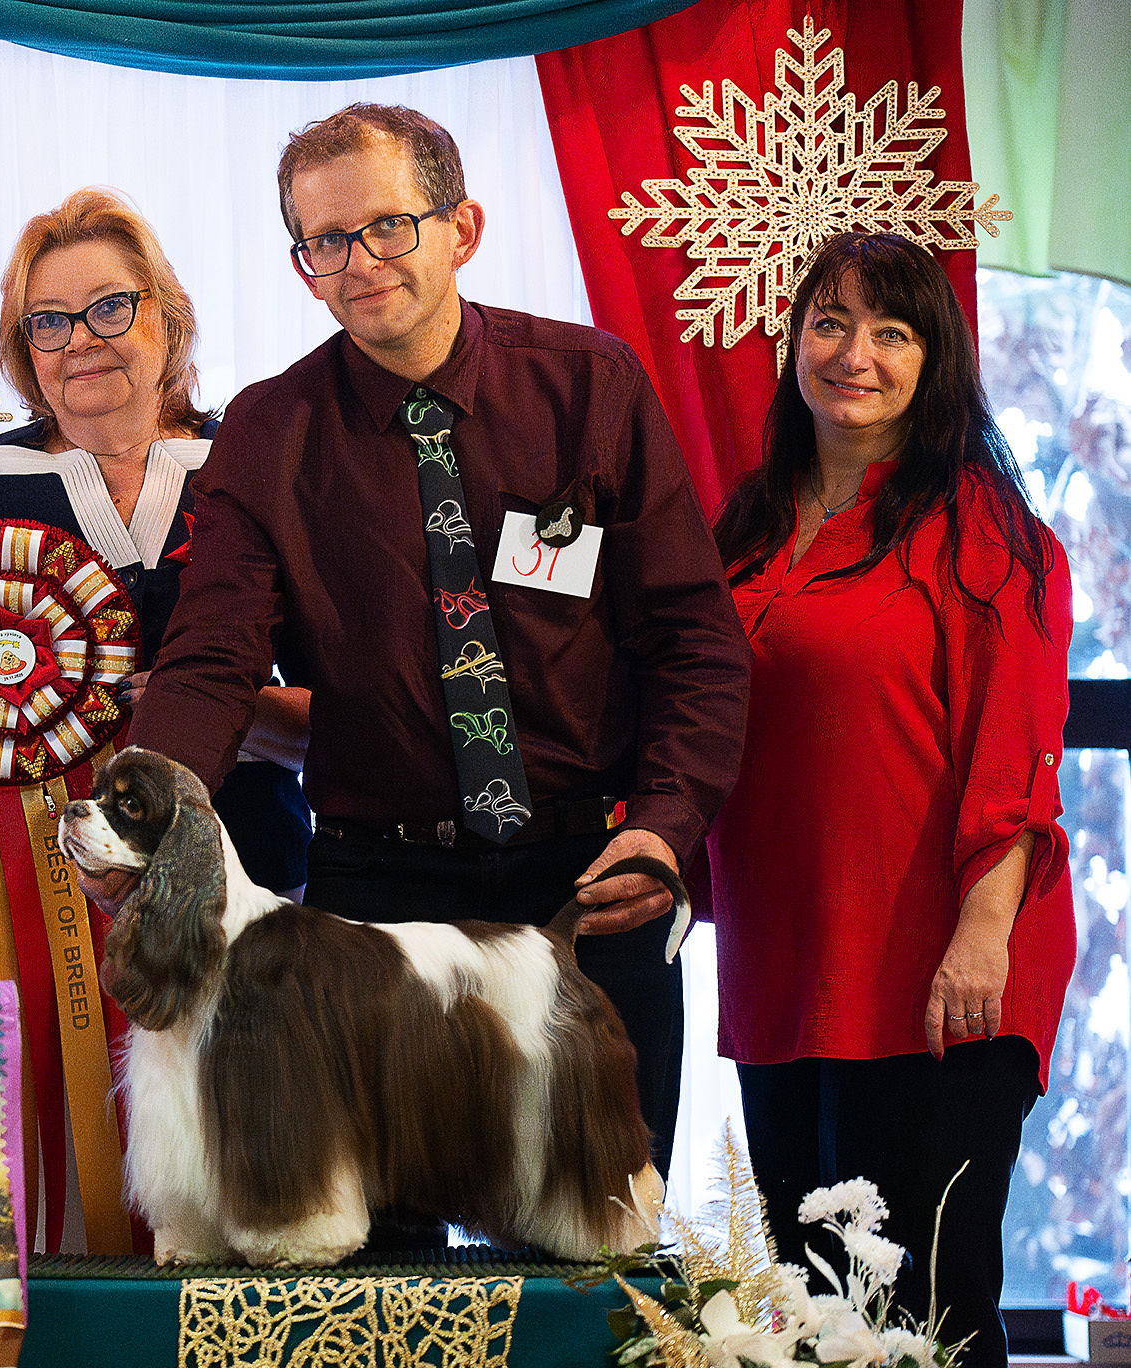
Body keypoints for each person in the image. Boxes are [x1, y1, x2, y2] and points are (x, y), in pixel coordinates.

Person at [122, 104, 750, 1176]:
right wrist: (146, 814)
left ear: (463, 227)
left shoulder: (590, 388)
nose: (359, 263)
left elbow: (695, 640)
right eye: (326, 241)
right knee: (366, 1247)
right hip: (376, 912)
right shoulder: (270, 432)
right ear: (303, 267)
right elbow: (212, 658)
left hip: (589, 883)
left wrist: (665, 826)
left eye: (387, 226)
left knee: (598, 1234)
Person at [707, 231, 1074, 1368]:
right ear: (793, 344)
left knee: (930, 1313)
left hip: (940, 967)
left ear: (935, 358)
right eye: (829, 323)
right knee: (815, 1313)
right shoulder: (748, 525)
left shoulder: (989, 537)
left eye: (891, 331)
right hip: (785, 962)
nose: (853, 354)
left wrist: (981, 934)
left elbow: (1016, 757)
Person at [0, 187, 312, 981]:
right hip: (9, 898)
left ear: (167, 316)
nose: (81, 340)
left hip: (237, 883)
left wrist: (214, 708)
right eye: (49, 321)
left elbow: (336, 726)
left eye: (110, 308)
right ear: (25, 347)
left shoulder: (256, 469)